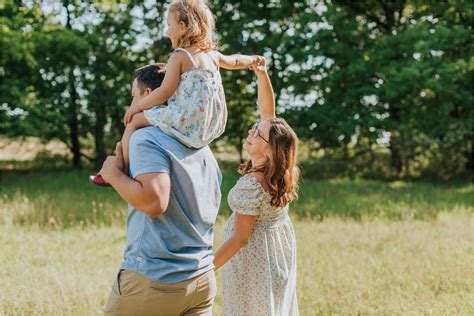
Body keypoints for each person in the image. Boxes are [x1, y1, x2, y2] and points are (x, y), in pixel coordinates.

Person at [91, 0, 262, 186]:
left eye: (168, 25)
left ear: (182, 26)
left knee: (135, 121)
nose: (166, 31)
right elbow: (235, 61)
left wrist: (137, 107)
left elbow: (165, 91)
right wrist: (253, 59)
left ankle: (120, 167)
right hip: (208, 124)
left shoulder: (180, 56)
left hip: (185, 119)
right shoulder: (212, 55)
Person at [99, 63, 222, 315]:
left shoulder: (147, 138)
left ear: (147, 95)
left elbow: (154, 203)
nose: (130, 104)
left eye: (133, 96)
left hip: (156, 279)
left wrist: (112, 175)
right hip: (201, 279)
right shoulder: (202, 147)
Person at [213, 58, 300, 315]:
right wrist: (262, 75)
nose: (251, 133)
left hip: (255, 258)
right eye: (254, 129)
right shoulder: (281, 171)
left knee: (250, 309)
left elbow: (239, 238)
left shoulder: (252, 185)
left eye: (257, 135)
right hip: (278, 252)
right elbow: (268, 116)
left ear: (270, 151)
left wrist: (206, 269)